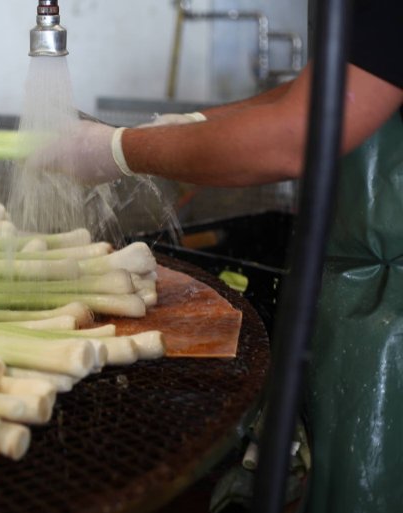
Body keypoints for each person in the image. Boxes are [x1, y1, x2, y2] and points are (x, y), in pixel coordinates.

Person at [37, 1, 402, 512]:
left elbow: (297, 133)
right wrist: (184, 124)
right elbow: (316, 93)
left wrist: (115, 150)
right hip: (361, 282)